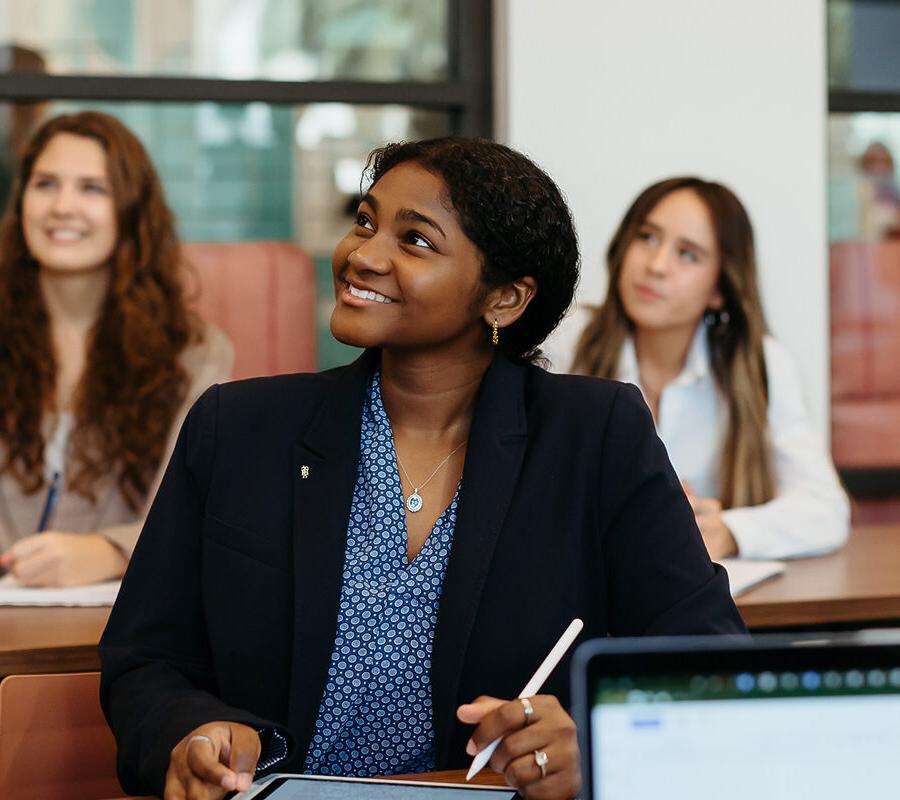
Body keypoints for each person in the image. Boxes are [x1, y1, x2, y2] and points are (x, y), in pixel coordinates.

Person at [100, 139, 745, 800]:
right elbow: (147, 659)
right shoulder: (237, 428)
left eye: (415, 241)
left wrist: (597, 739)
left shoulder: (594, 433)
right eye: (365, 222)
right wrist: (193, 733)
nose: (363, 255)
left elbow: (709, 662)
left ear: (504, 299)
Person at [0, 111, 233, 587]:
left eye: (92, 188)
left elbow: (194, 513)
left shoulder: (194, 352)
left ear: (132, 210)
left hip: (114, 624)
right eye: (45, 184)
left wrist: (111, 551)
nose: (62, 206)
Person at [565, 177, 849, 561]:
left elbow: (826, 510)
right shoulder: (571, 342)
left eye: (688, 254)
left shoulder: (760, 362)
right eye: (647, 237)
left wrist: (726, 531)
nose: (657, 265)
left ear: (720, 287)